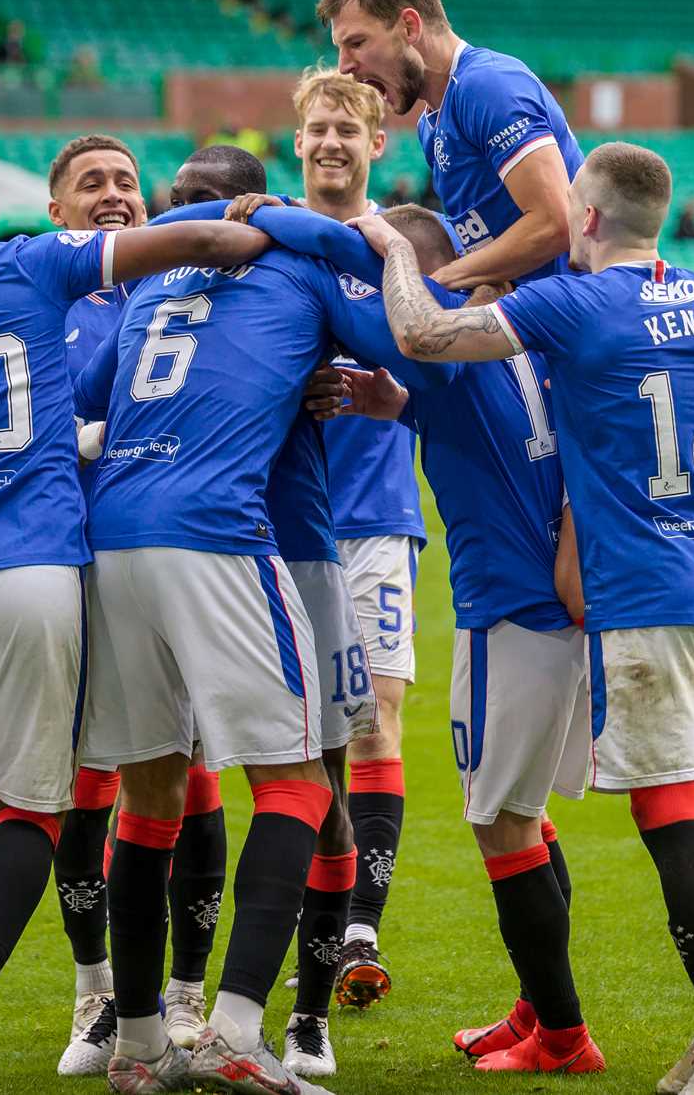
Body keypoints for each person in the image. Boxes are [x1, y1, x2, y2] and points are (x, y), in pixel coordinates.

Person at [355, 142, 694, 1095]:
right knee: (666, 810)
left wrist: (389, 246)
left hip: (640, 586)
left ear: (587, 220)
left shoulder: (579, 301)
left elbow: (429, 334)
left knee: (672, 817)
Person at [0, 132, 270, 1095]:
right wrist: (240, 222)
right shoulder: (32, 264)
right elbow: (194, 247)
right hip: (36, 571)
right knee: (29, 808)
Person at [72, 203, 456, 1094]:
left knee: (150, 793)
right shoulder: (306, 270)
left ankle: (136, 1046)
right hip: (217, 530)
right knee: (298, 782)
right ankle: (238, 1028)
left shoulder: (154, 283)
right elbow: (417, 339)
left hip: (114, 534)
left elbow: (87, 391)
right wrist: (376, 258)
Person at [254, 202, 604, 1075]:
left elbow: (421, 341)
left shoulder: (441, 335)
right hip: (552, 610)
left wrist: (312, 223)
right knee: (526, 813)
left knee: (500, 823)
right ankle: (537, 1008)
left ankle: (563, 1035)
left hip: (509, 612)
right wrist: (399, 404)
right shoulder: (511, 352)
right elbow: (478, 426)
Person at [42, 134, 234, 1078]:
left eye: (125, 180)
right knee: (82, 785)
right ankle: (95, 992)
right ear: (58, 212)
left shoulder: (179, 293)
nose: (114, 194)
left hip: (159, 562)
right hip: (67, 570)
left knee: (187, 775)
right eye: (92, 183)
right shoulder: (43, 302)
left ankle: (185, 994)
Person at [284, 70, 423, 1008]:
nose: (332, 141)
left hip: (374, 518)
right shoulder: (270, 246)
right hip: (279, 523)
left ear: (379, 144)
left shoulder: (401, 247)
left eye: (349, 129)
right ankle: (302, 909)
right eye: (318, 128)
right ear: (298, 141)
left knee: (372, 712)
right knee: (289, 734)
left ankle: (360, 925)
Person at [317, 0, 583, 289]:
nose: (344, 66)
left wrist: (439, 285)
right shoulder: (430, 124)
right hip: (531, 319)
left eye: (356, 42)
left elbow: (556, 223)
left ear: (409, 26)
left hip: (573, 323)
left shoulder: (488, 86)